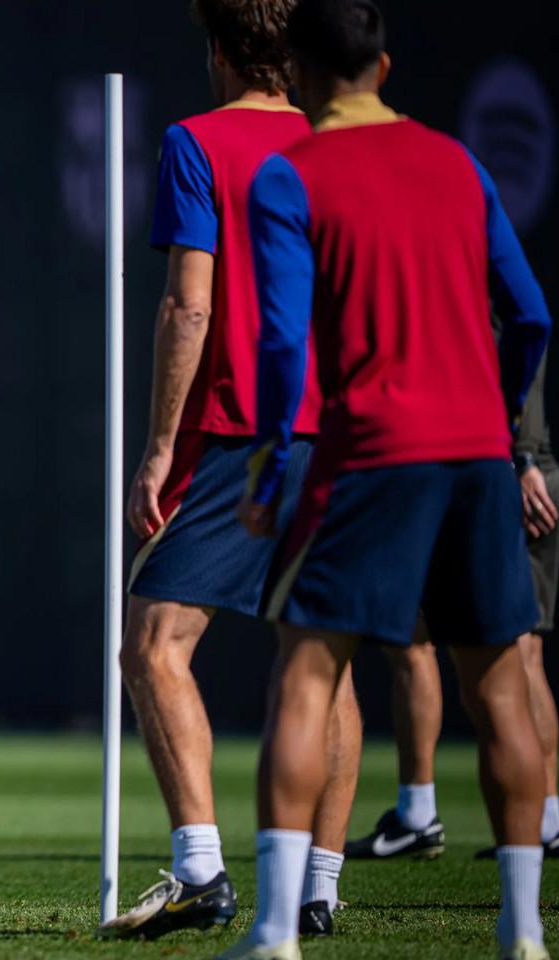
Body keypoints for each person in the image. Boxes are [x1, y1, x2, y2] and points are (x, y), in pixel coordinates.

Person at [224, 0, 553, 957]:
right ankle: (525, 931)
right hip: (479, 457)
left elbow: (283, 340)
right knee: (501, 686)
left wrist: (271, 453)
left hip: (370, 453)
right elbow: (528, 313)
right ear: (385, 65)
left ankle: (278, 930)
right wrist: (501, 412)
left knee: (306, 677)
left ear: (296, 68)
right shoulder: (457, 162)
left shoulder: (293, 174)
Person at [101, 0, 360, 940]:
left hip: (245, 428)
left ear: (216, 51)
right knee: (324, 658)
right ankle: (320, 887)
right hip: (348, 437)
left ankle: (201, 870)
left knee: (155, 644)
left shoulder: (195, 141)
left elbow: (188, 305)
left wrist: (161, 447)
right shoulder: (341, 142)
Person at [345, 352, 559, 863]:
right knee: (504, 654)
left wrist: (522, 457)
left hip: (493, 468)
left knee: (449, 647)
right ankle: (541, 822)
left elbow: (524, 330)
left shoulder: (476, 271)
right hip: (499, 466)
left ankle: (429, 815)